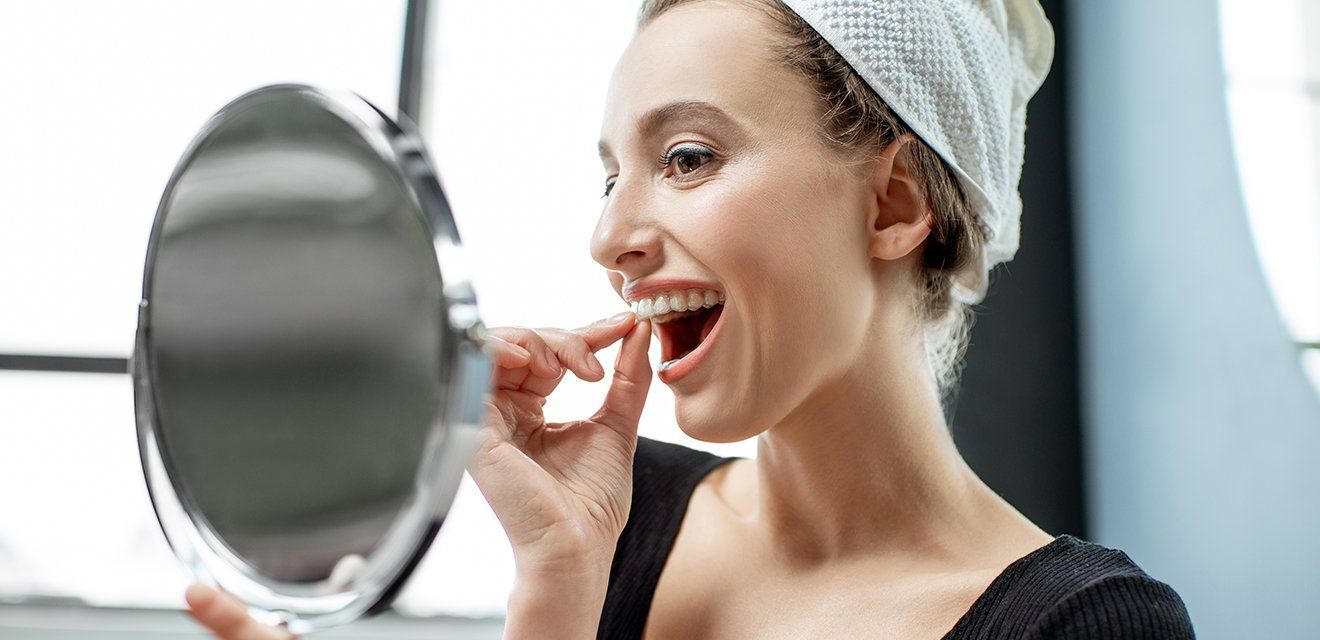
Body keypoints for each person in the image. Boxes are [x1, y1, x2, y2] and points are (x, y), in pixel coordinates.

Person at [185, 0, 1196, 638]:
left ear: (892, 205)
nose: (611, 234)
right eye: (610, 174)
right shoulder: (619, 523)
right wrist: (555, 588)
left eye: (687, 158)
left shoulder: (1085, 626)